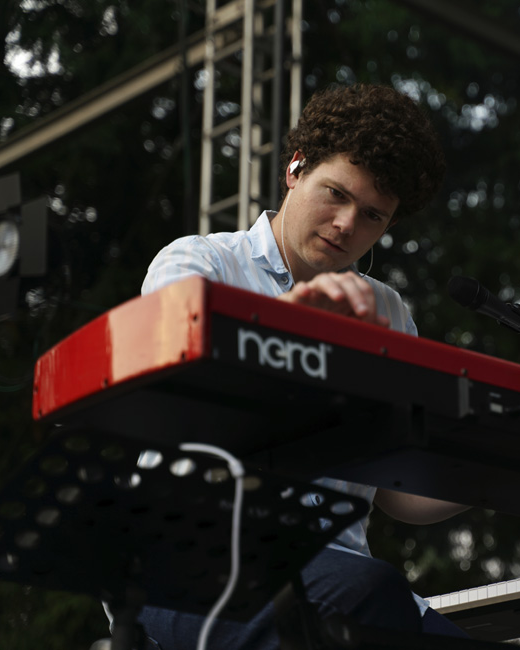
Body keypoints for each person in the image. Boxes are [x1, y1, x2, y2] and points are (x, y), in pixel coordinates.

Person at [134, 83, 468, 649]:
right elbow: (184, 415)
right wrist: (283, 328)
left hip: (337, 580)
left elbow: (402, 492)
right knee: (368, 596)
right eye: (334, 194)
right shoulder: (198, 261)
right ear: (295, 169)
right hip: (194, 567)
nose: (345, 225)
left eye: (371, 216)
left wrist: (511, 471)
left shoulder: (387, 310)